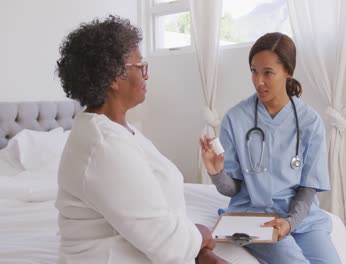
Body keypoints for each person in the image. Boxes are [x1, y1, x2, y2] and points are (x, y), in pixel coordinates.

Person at [55, 15, 226, 264]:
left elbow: (154, 213)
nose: (146, 75)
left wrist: (199, 249)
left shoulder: (119, 130)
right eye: (140, 66)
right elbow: (168, 244)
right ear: (115, 76)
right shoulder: (102, 146)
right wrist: (200, 234)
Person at [199, 32, 341, 264]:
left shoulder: (309, 121)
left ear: (287, 71)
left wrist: (290, 222)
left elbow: (308, 187)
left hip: (301, 218)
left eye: (267, 73)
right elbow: (232, 189)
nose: (258, 81)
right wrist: (216, 173)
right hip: (253, 216)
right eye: (254, 71)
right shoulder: (235, 118)